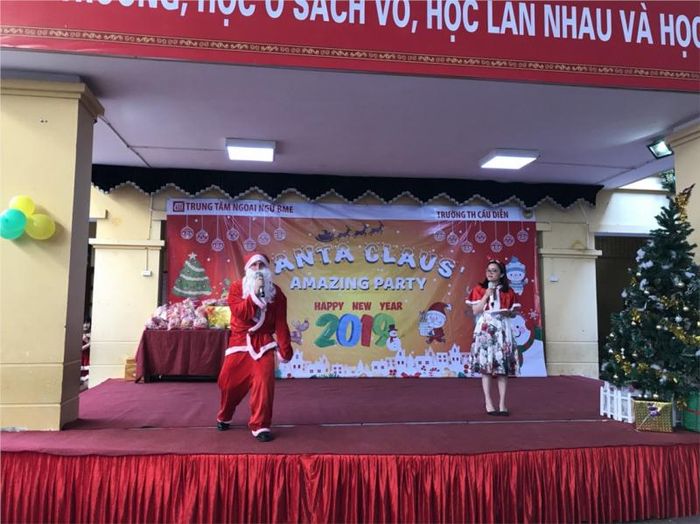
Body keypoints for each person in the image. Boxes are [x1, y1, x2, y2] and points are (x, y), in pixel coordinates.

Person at [216, 252, 293, 442]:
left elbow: (281, 323)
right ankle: (225, 414)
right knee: (227, 384)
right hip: (240, 342)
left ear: (267, 269)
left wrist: (285, 350)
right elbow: (240, 313)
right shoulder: (236, 288)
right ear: (247, 269)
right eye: (254, 265)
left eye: (262, 265)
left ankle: (261, 425)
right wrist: (255, 294)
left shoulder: (276, 294)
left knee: (264, 384)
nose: (258, 269)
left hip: (264, 344)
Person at [465, 260, 520, 416]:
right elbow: (475, 310)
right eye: (488, 270)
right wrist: (486, 295)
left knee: (502, 368)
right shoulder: (479, 289)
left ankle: (502, 404)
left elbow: (513, 313)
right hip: (485, 329)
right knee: (486, 367)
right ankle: (488, 402)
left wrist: (508, 313)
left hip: (502, 329)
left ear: (501, 274)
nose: (490, 273)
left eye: (494, 270)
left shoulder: (508, 291)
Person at [80, 319, 91, 388]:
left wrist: (87, 341)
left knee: (87, 383)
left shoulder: (91, 334)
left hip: (88, 359)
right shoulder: (77, 333)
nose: (85, 325)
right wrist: (89, 343)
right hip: (80, 359)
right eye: (84, 323)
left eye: (87, 323)